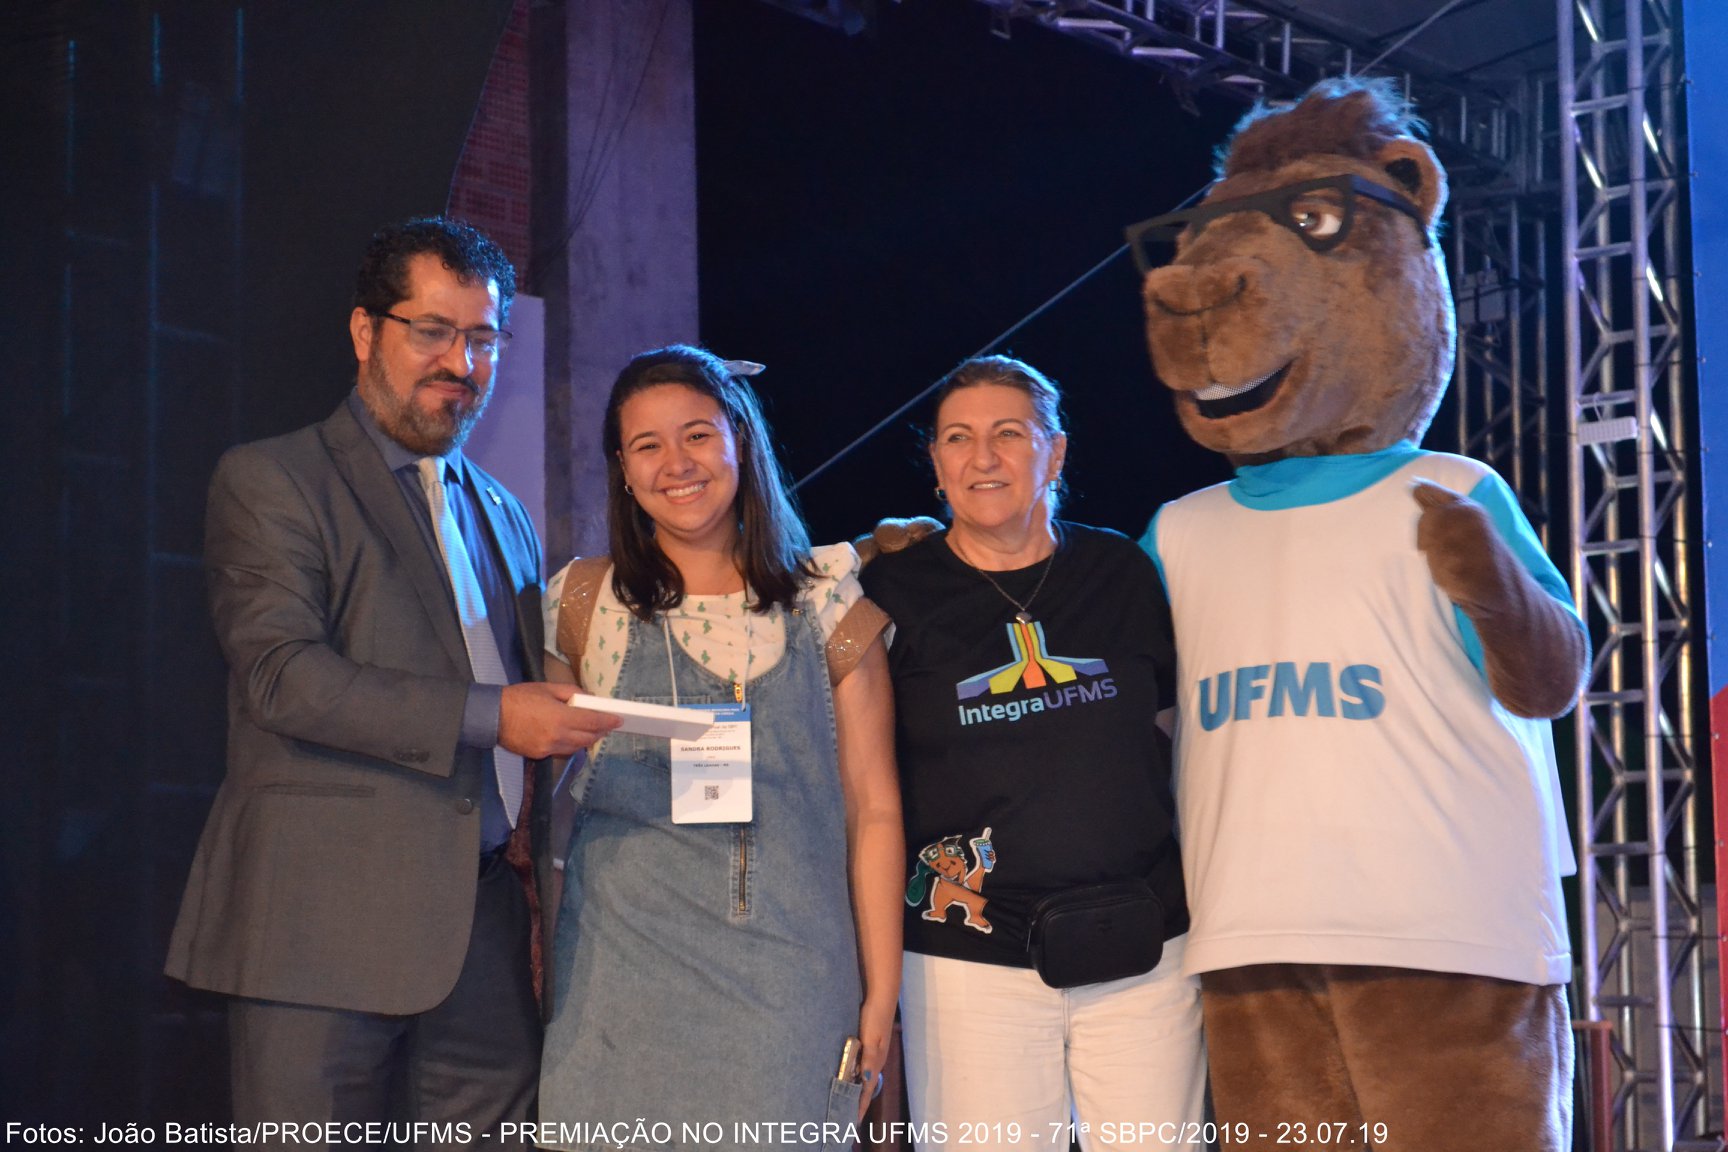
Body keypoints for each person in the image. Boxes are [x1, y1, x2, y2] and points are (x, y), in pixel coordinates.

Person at [166, 217, 618, 1146]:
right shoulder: (273, 479)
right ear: (366, 331)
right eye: (433, 331)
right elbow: (284, 677)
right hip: (320, 936)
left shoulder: (503, 512)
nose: (461, 362)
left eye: (483, 338)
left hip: (483, 934)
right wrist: (497, 718)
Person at [536, 345, 902, 1150]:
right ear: (622, 471)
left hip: (788, 988)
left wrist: (881, 995)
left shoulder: (826, 602)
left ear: (740, 439)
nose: (677, 463)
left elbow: (874, 810)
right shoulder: (581, 604)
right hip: (617, 987)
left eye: (697, 435)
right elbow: (530, 787)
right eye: (647, 445)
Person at [859, 356, 1206, 1151]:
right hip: (969, 968)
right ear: (936, 463)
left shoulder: (1122, 571)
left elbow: (1174, 737)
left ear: (1055, 453)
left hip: (1144, 953)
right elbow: (866, 788)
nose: (982, 457)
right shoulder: (893, 594)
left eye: (1009, 434)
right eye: (958, 438)